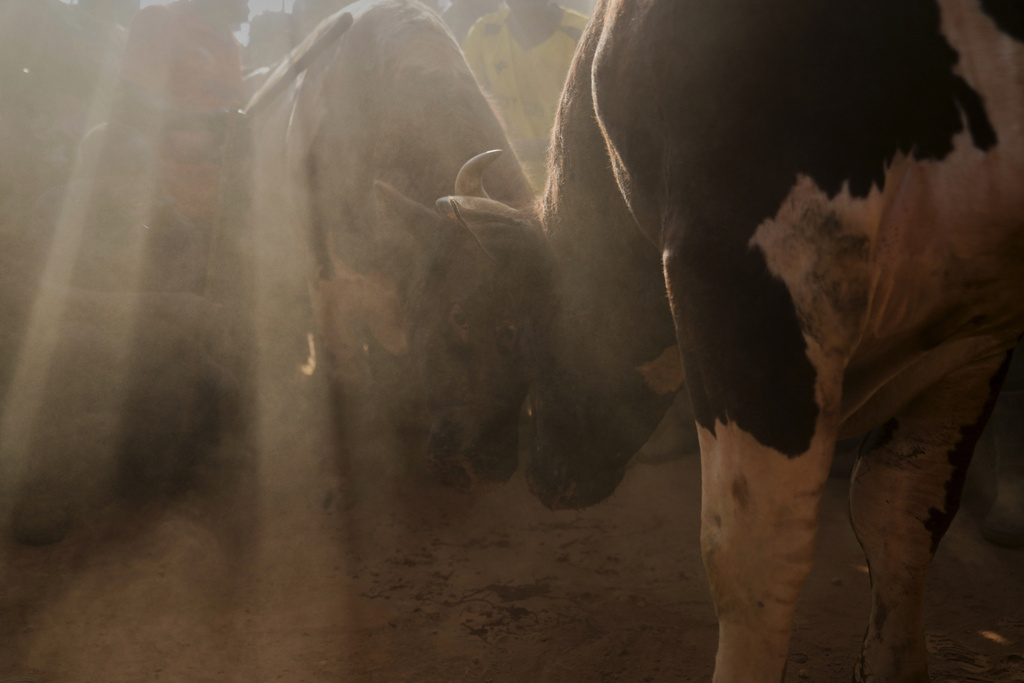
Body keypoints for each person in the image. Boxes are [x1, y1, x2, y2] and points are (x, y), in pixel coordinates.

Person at [111, 0, 249, 293]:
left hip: (222, 204)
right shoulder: (160, 20)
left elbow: (231, 108)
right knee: (166, 307)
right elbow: (133, 98)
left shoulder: (230, 42)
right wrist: (207, 122)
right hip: (165, 203)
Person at [461, 0, 587, 191]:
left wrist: (519, 149)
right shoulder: (484, 31)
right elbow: (465, 104)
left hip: (568, 181)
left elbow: (592, 127)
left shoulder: (583, 35)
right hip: (504, 182)